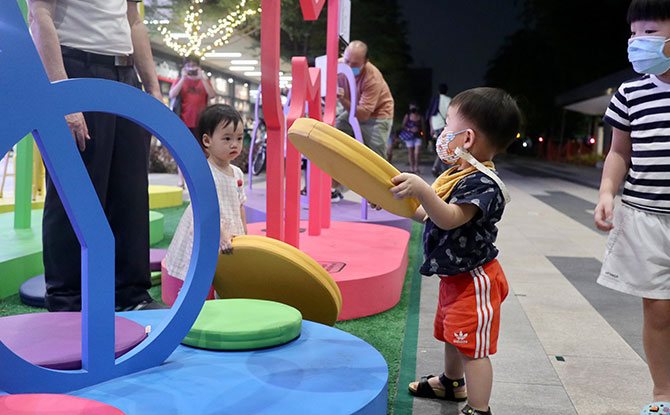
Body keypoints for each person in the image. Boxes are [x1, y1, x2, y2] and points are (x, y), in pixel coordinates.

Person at [376, 87, 520, 415]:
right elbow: (429, 214)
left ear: (466, 138)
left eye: (447, 124)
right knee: (452, 333)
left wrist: (423, 189)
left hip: (475, 280)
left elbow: (451, 218)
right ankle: (452, 383)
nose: (442, 132)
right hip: (455, 276)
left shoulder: (483, 182)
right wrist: (391, 203)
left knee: (473, 348)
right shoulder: (459, 174)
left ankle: (479, 408)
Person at [29, 0, 165, 311]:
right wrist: (62, 92)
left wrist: (154, 89)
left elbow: (134, 22)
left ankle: (131, 294)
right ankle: (68, 299)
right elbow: (39, 15)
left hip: (125, 73)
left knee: (130, 190)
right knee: (74, 190)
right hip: (76, 67)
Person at [594, 1, 670, 413]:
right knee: (658, 311)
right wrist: (607, 192)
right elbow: (618, 153)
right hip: (645, 215)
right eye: (634, 33)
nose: (638, 42)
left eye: (650, 32)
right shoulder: (631, 92)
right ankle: (663, 394)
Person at [164, 104, 248, 283]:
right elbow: (203, 209)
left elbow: (240, 205)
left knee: (227, 274)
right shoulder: (204, 172)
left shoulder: (238, 173)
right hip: (208, 227)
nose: (235, 144)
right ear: (207, 141)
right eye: (227, 138)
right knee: (200, 273)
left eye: (239, 138)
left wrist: (244, 233)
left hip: (231, 230)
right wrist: (221, 232)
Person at [335, 40, 394, 158]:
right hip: (353, 109)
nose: (349, 67)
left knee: (376, 158)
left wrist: (341, 98)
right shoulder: (338, 66)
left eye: (355, 64)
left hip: (377, 116)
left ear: (366, 62)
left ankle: (379, 175)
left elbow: (364, 115)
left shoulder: (372, 78)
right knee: (339, 126)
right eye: (347, 61)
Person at [169, 55, 216, 187]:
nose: (191, 68)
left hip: (201, 123)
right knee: (183, 152)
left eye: (194, 65)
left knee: (203, 152)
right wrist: (183, 78)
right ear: (184, 67)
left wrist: (204, 78)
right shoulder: (180, 80)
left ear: (199, 67)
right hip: (184, 122)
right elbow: (172, 94)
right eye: (189, 65)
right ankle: (181, 181)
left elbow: (212, 94)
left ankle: (201, 179)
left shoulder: (204, 81)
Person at [426, 83, 452, 177]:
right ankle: (437, 168)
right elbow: (450, 115)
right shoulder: (449, 100)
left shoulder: (434, 100)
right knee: (444, 147)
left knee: (441, 147)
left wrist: (431, 128)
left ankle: (441, 169)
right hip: (444, 126)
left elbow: (430, 115)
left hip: (435, 126)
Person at [399, 102, 426, 174]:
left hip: (418, 136)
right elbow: (403, 125)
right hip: (409, 136)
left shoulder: (420, 117)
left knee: (417, 152)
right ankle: (412, 167)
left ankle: (416, 166)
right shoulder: (407, 116)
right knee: (410, 153)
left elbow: (423, 128)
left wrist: (423, 135)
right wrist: (410, 129)